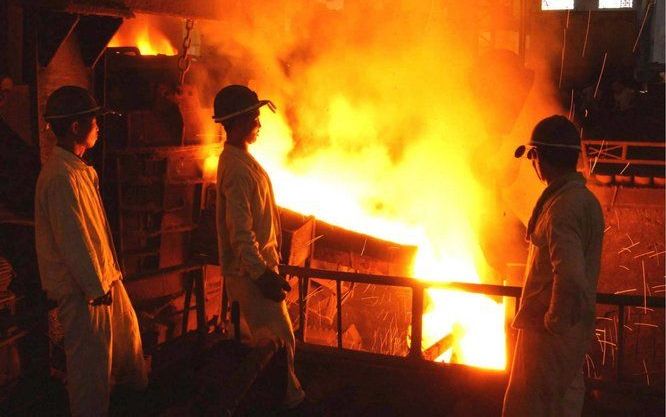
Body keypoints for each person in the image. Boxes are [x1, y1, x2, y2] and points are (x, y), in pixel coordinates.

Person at [35, 86, 147, 417]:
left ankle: (133, 404)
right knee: (90, 372)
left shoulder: (79, 170)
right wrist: (95, 287)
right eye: (93, 120)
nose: (98, 125)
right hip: (85, 293)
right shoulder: (59, 178)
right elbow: (74, 239)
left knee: (128, 351)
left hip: (104, 282)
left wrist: (109, 275)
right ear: (75, 127)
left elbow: (92, 234)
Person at [213, 84, 307, 411]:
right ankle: (286, 405)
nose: (259, 124)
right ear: (237, 122)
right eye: (254, 118)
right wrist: (260, 274)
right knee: (278, 346)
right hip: (250, 274)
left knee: (270, 347)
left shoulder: (242, 159)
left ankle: (277, 402)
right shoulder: (237, 169)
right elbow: (240, 232)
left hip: (256, 270)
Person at [503, 115, 604, 417]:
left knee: (530, 408)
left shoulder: (562, 208)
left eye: (532, 155)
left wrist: (553, 321)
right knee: (562, 406)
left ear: (540, 157)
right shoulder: (584, 201)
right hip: (573, 334)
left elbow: (570, 275)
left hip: (548, 338)